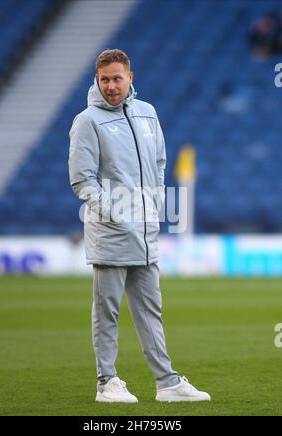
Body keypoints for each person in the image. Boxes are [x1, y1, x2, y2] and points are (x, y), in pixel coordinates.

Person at [68, 48, 210, 403]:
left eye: (117, 78)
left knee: (150, 310)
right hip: (111, 234)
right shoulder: (87, 120)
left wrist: (155, 202)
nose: (111, 86)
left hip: (146, 234)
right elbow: (81, 180)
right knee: (108, 311)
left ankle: (167, 383)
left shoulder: (148, 113)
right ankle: (107, 382)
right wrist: (116, 214)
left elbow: (160, 160)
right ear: (96, 81)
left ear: (131, 77)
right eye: (104, 80)